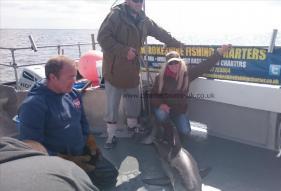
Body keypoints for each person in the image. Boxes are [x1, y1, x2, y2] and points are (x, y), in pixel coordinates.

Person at [18, 55, 118, 189]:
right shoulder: (33, 105)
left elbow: (82, 120)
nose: (75, 80)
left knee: (110, 174)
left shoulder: (73, 93)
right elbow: (32, 147)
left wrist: (90, 141)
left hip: (83, 152)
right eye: (70, 77)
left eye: (75, 76)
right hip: (56, 163)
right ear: (53, 77)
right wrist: (68, 161)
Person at [97, 0, 183, 149]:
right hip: (114, 72)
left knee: (133, 103)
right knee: (112, 107)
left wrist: (177, 44)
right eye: (136, 0)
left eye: (141, 0)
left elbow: (160, 32)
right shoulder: (115, 15)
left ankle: (133, 128)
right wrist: (124, 51)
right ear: (127, 1)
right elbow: (102, 38)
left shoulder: (144, 20)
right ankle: (111, 137)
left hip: (132, 71)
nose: (139, 3)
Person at [150, 44, 232, 144]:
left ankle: (172, 124)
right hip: (164, 109)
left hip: (178, 110)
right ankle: (165, 126)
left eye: (177, 62)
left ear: (180, 62)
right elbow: (153, 95)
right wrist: (161, 105)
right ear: (167, 64)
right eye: (171, 63)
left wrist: (219, 53)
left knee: (185, 131)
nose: (174, 65)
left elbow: (204, 66)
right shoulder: (160, 77)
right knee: (161, 115)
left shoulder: (186, 74)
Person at [0, 137, 99, 191]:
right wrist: (70, 160)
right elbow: (33, 140)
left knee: (108, 175)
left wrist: (90, 140)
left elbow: (82, 122)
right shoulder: (67, 169)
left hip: (77, 155)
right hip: (67, 163)